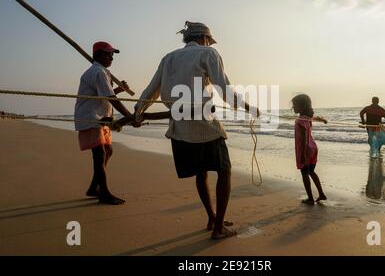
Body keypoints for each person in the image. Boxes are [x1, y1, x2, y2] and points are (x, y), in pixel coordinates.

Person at [134, 21, 259, 239]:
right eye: (209, 40)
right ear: (205, 39)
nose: (209, 43)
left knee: (201, 173)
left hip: (180, 128)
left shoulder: (169, 57)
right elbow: (225, 90)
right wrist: (249, 108)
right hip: (204, 124)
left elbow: (152, 89)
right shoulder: (209, 53)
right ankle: (219, 227)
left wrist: (138, 111)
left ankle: (212, 217)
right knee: (224, 170)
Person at [74, 41, 134, 205]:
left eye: (112, 54)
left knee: (108, 150)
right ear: (99, 55)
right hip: (90, 117)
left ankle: (94, 187)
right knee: (99, 154)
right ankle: (104, 193)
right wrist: (130, 116)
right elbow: (109, 98)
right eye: (108, 54)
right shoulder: (98, 72)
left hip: (101, 118)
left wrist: (119, 90)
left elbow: (103, 94)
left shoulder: (101, 72)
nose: (112, 57)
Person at [292, 94, 327, 205]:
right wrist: (322, 119)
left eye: (295, 105)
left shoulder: (299, 121)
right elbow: (315, 118)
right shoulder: (306, 118)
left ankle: (310, 198)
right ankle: (321, 194)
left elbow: (303, 139)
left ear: (302, 107)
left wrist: (303, 155)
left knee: (304, 173)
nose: (293, 107)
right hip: (313, 147)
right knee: (311, 171)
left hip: (306, 148)